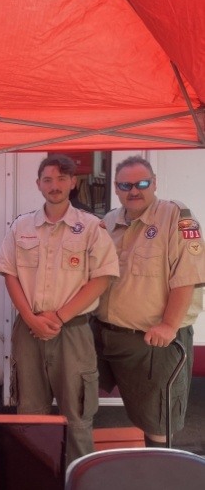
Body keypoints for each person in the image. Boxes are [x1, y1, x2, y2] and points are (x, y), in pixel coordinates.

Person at [0, 154, 119, 464]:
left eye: (62, 179)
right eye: (48, 180)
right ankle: (33, 476)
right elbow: (9, 274)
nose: (55, 185)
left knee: (76, 416)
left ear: (73, 183)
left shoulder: (90, 227)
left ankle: (80, 479)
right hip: (29, 330)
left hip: (73, 330)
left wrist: (59, 316)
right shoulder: (21, 226)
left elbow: (102, 279)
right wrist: (29, 317)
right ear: (38, 184)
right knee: (30, 414)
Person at [94, 155, 205, 447]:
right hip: (109, 336)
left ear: (154, 183)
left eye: (142, 183)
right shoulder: (108, 222)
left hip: (155, 341)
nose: (134, 190)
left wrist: (169, 325)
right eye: (125, 185)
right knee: (83, 401)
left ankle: (160, 475)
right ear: (116, 188)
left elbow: (187, 276)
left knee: (158, 421)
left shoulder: (175, 215)